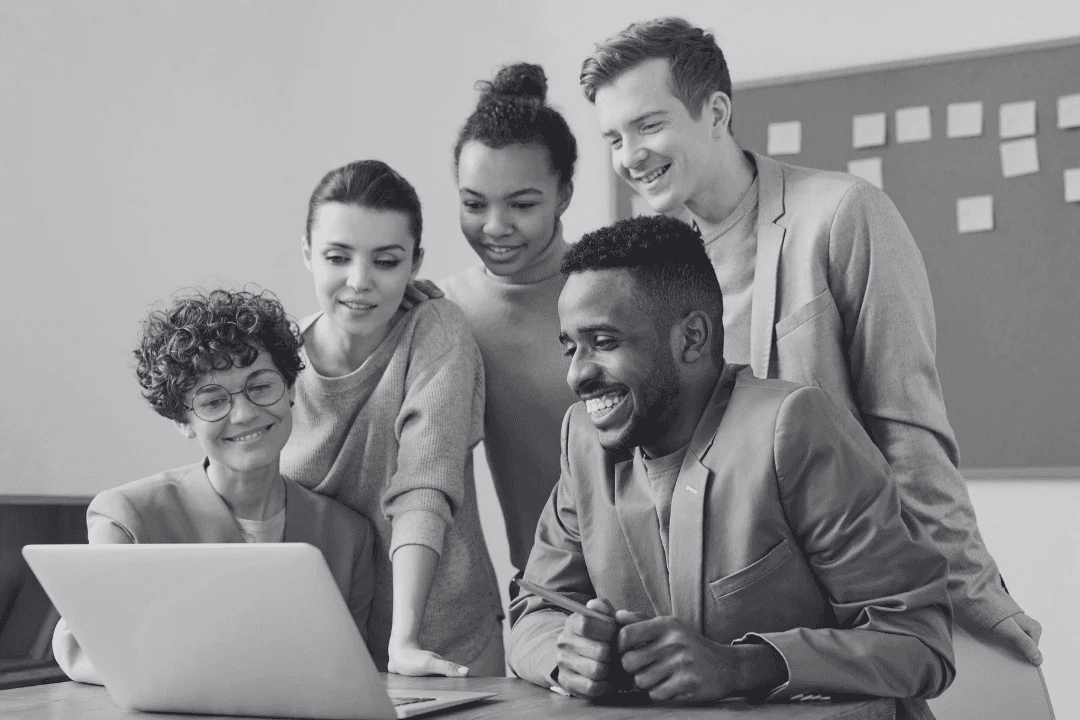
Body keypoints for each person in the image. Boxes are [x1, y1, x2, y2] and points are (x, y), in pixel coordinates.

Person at [579, 16, 1041, 663]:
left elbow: (907, 431)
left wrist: (974, 591)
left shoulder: (842, 214)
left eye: (648, 125)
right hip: (712, 632)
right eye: (613, 137)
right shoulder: (643, 274)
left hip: (850, 612)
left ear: (715, 111)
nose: (629, 156)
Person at [508, 215, 954, 718]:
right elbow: (534, 609)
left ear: (692, 338)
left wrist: (742, 666)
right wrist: (569, 657)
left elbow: (919, 643)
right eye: (571, 347)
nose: (577, 374)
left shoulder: (794, 429)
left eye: (604, 343)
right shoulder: (583, 442)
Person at [52, 289, 376, 685]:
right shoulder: (128, 518)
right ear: (182, 421)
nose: (243, 414)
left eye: (260, 386)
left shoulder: (348, 535)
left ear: (291, 389)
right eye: (211, 401)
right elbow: (84, 648)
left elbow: (351, 674)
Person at [279, 160, 503, 677]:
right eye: (338, 257)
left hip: (440, 645)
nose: (360, 282)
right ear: (308, 253)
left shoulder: (436, 332)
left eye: (385, 261)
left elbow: (423, 484)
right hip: (323, 648)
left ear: (414, 264)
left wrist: (403, 642)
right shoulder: (277, 358)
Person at [439, 62, 580, 583]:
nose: (495, 228)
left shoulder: (615, 290)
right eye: (474, 204)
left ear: (563, 194)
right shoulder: (445, 312)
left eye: (522, 204)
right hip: (544, 594)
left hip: (662, 584)